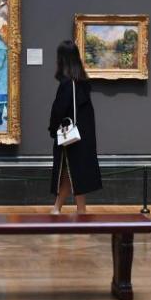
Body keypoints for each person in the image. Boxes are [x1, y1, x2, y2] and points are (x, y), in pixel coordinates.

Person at [48, 40, 101, 214]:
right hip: (83, 135)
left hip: (69, 135)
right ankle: (78, 209)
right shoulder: (83, 83)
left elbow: (58, 110)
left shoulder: (67, 84)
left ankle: (62, 208)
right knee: (75, 172)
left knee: (68, 172)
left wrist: (52, 128)